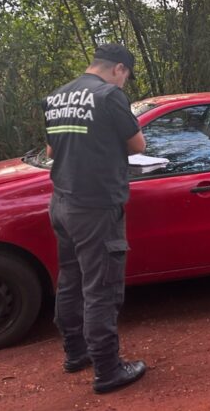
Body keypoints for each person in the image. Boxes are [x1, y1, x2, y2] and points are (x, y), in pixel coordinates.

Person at [43, 43, 147, 393]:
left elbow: (50, 151)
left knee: (71, 279)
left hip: (62, 202)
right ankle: (107, 369)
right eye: (126, 77)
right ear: (119, 68)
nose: (123, 83)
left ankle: (76, 352)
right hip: (97, 206)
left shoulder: (57, 96)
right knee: (101, 287)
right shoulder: (108, 96)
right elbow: (138, 146)